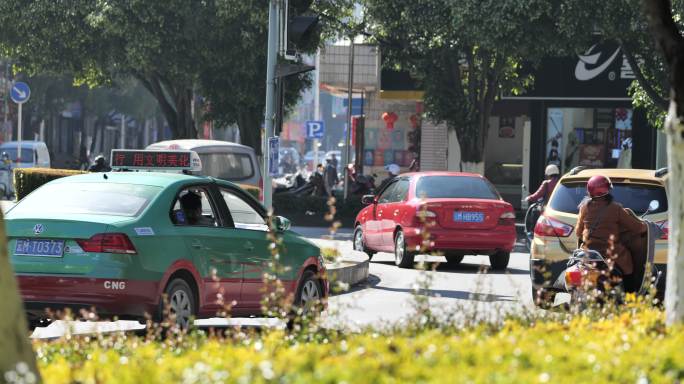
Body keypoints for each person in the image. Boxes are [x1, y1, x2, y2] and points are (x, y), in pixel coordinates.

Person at [576, 175, 646, 277]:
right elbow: (637, 228)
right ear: (607, 190)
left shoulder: (584, 207)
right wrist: (645, 226)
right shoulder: (615, 208)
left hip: (588, 253)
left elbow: (578, 232)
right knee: (628, 267)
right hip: (610, 253)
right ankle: (629, 289)